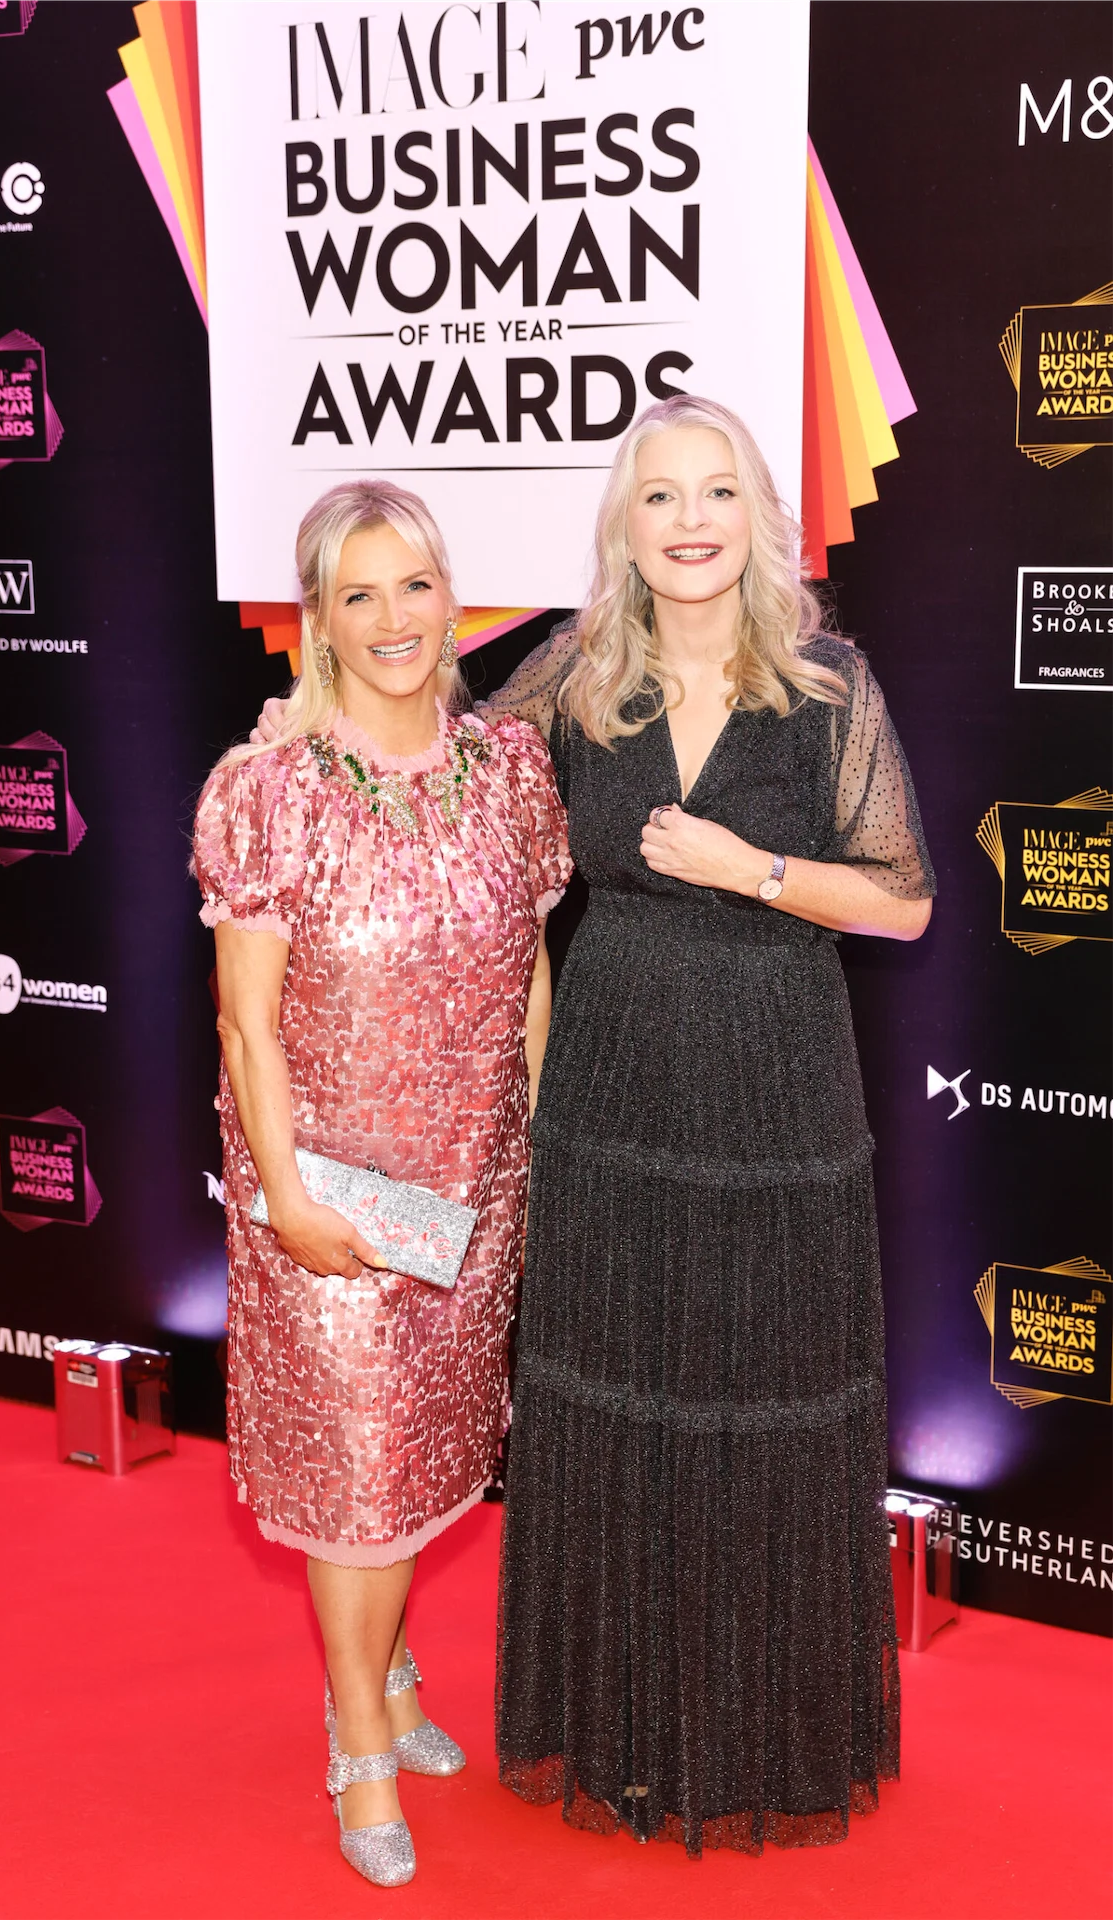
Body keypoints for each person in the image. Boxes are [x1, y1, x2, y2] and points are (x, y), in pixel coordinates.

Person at [253, 395, 935, 1859]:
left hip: (774, 1088)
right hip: (609, 1087)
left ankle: (754, 1734)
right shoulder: (574, 672)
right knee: (618, 1395)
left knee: (762, 1394)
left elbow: (904, 900)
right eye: (658, 496)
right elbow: (430, 766)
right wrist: (302, 733)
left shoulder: (828, 684)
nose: (690, 522)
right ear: (622, 524)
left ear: (759, 513)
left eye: (716, 492)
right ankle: (616, 1730)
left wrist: (755, 869)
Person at [192, 479, 570, 1888]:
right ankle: (358, 1735)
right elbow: (246, 1025)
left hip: (473, 1190)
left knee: (424, 1460)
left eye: (414, 584)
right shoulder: (268, 791)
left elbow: (529, 975)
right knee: (356, 1477)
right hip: (330, 1200)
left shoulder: (511, 772)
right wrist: (287, 1197)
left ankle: (398, 1680)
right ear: (319, 621)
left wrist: (536, 1136)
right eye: (359, 594)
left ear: (449, 598)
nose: (394, 617)